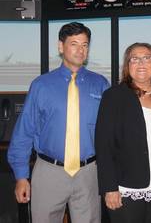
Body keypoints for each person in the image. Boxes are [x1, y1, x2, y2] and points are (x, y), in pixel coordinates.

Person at [7, 22, 110, 223]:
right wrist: (21, 176)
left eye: (85, 45)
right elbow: (25, 131)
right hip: (49, 171)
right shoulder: (41, 85)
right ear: (60, 47)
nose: (80, 50)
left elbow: (110, 132)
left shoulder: (101, 84)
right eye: (74, 44)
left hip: (88, 173)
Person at [95, 43, 151, 223]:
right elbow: (104, 146)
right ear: (127, 65)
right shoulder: (113, 96)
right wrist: (109, 188)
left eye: (147, 58)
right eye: (134, 59)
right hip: (126, 187)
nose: (141, 63)